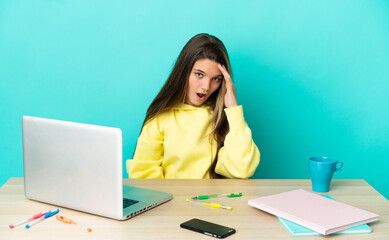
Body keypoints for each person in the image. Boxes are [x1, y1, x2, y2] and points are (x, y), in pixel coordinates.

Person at [126, 33, 260, 179]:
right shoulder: (161, 118)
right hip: (171, 200)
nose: (206, 87)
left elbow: (242, 169)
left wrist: (233, 110)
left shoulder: (221, 119)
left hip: (210, 200)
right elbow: (143, 174)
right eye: (199, 75)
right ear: (184, 72)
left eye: (216, 79)